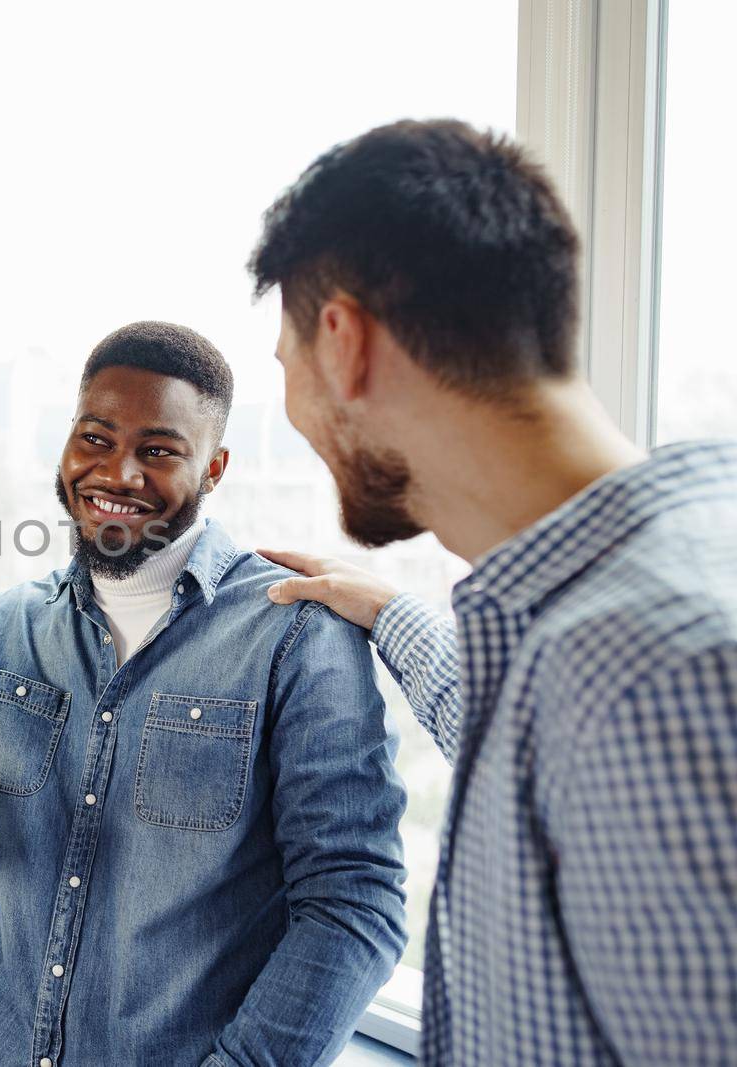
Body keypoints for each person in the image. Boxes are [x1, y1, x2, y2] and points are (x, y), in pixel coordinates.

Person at [0, 322, 409, 1066]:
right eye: (96, 438)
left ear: (216, 466)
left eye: (160, 450)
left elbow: (356, 903)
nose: (119, 472)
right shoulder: (11, 624)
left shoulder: (296, 635)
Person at [247, 118, 737, 1064]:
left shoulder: (663, 675)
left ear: (344, 341)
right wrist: (393, 612)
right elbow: (551, 750)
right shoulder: (604, 628)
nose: (295, 407)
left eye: (287, 366)